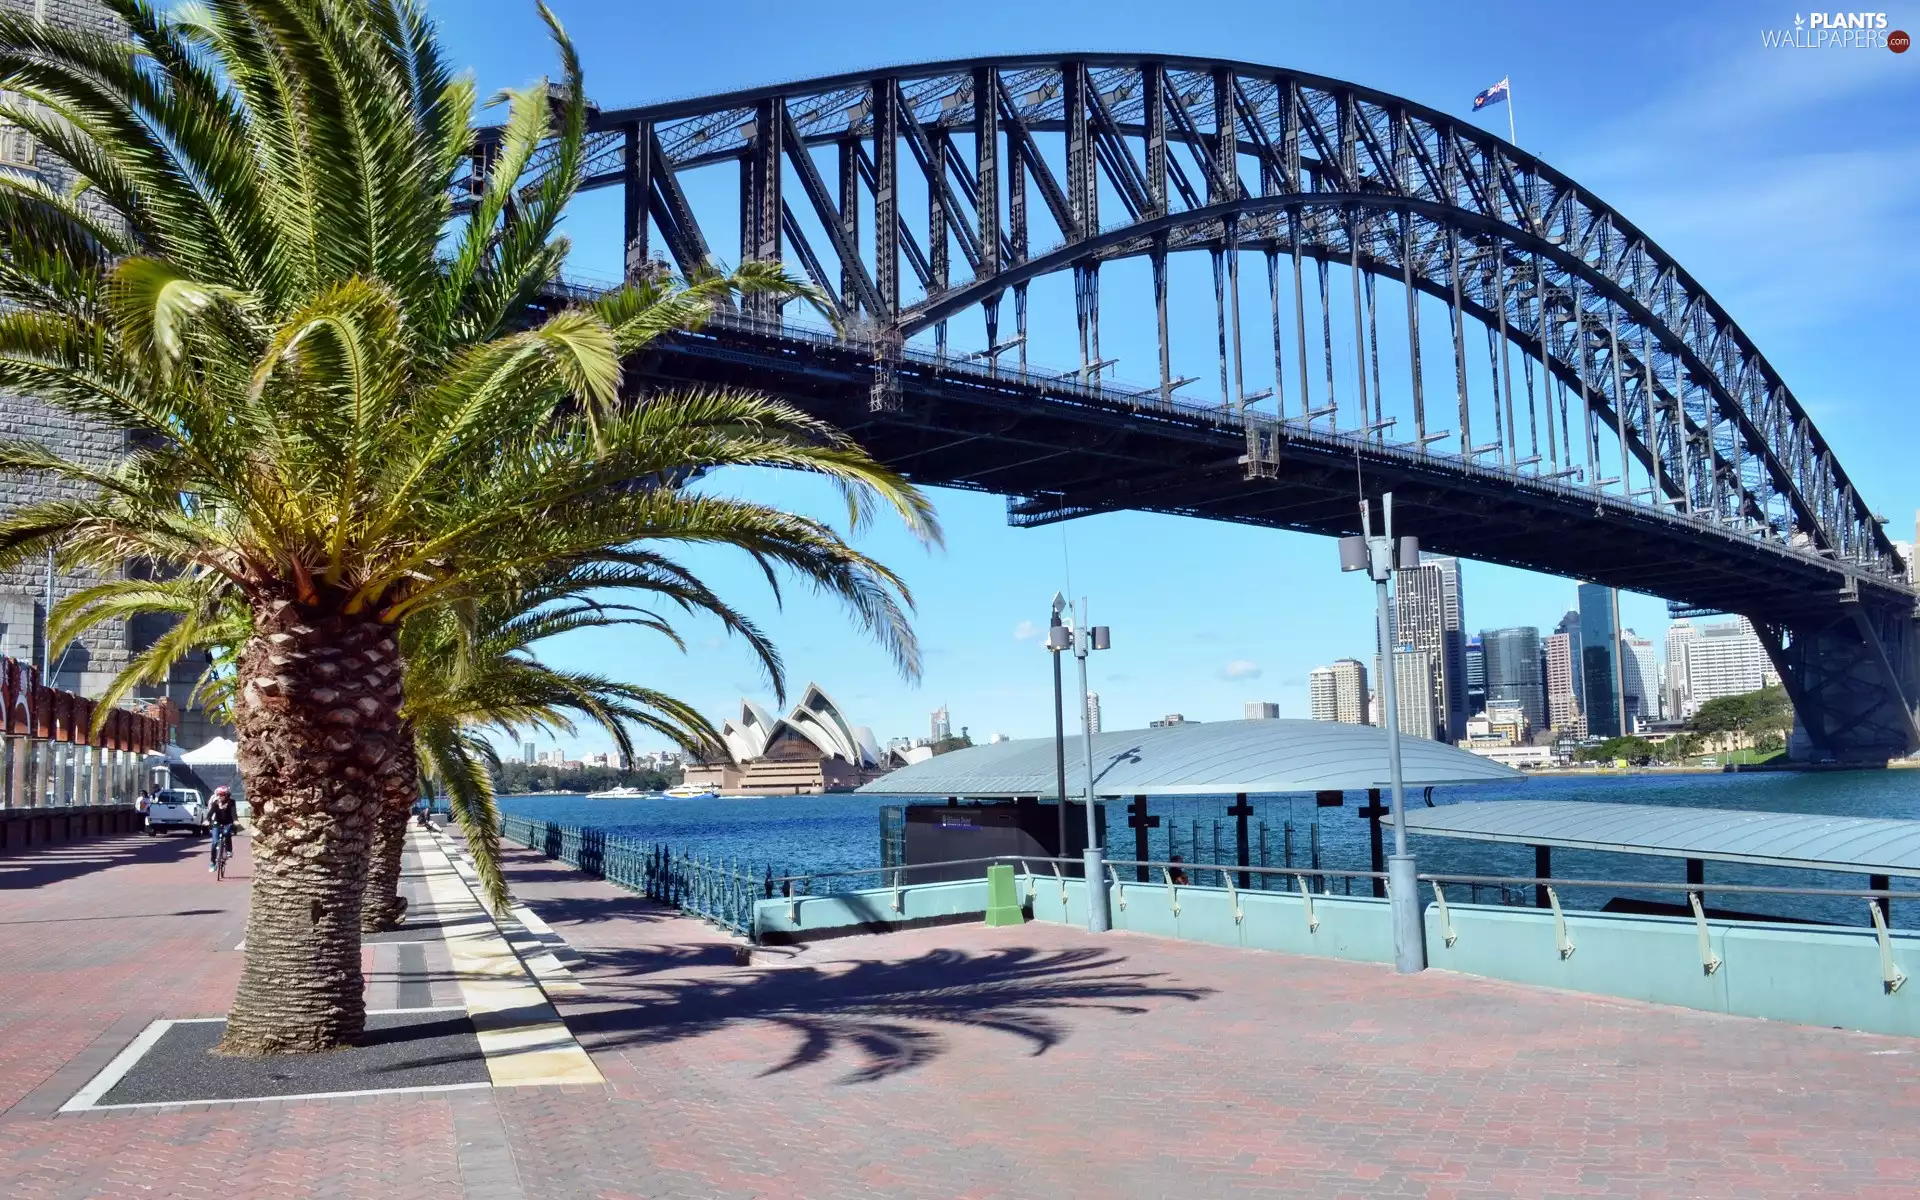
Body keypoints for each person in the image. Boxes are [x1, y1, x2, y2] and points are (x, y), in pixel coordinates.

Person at [207, 786, 238, 872]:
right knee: (214, 843)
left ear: (227, 795)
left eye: (223, 794)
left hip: (228, 822)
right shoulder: (216, 803)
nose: (220, 796)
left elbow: (233, 812)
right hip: (217, 823)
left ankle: (229, 850)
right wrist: (207, 820)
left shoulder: (231, 802)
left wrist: (235, 820)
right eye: (219, 794)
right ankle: (213, 863)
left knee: (227, 833)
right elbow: (210, 813)